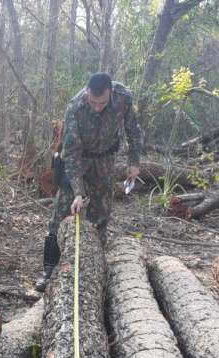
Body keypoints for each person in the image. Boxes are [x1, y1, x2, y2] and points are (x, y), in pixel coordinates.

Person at [35, 72, 143, 292]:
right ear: (87, 93)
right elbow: (71, 153)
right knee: (62, 212)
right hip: (79, 160)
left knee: (101, 215)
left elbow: (134, 130)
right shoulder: (75, 107)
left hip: (105, 160)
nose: (96, 107)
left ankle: (93, 269)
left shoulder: (124, 98)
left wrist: (134, 161)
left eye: (101, 103)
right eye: (93, 103)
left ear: (110, 93)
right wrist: (77, 191)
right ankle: (49, 269)